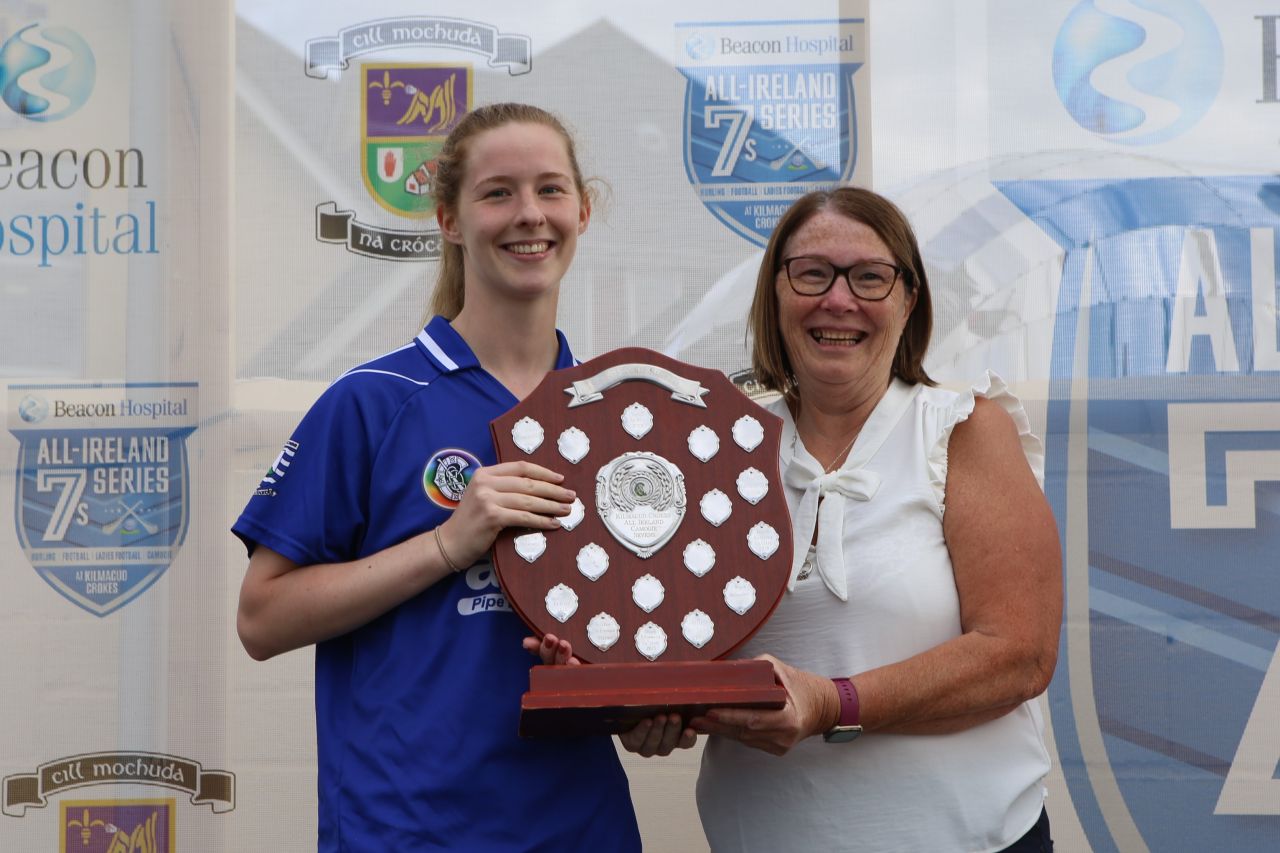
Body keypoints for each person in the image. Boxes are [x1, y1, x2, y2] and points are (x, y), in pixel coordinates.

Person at [232, 103, 641, 852]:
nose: (529, 215)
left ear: (583, 211)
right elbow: (261, 618)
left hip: (581, 828)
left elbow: (638, 635)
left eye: (551, 190)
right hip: (407, 830)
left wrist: (644, 707)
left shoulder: (619, 418)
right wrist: (448, 546)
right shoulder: (373, 400)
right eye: (498, 193)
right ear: (450, 219)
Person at [688, 187, 1062, 852]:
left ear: (908, 299)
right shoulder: (718, 449)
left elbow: (1018, 655)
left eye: (870, 276)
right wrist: (645, 706)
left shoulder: (963, 431)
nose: (839, 300)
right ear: (775, 292)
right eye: (812, 273)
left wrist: (833, 703)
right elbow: (682, 643)